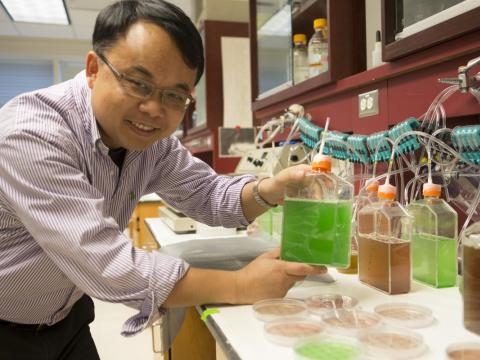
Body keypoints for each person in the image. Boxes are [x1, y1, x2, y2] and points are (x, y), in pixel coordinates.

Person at [0, 0, 325, 359]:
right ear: (94, 68)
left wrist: (271, 189)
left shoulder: (151, 145)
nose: (154, 109)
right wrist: (240, 284)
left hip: (67, 318)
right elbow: (106, 264)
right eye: (138, 83)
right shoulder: (30, 133)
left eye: (174, 95)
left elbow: (208, 193)